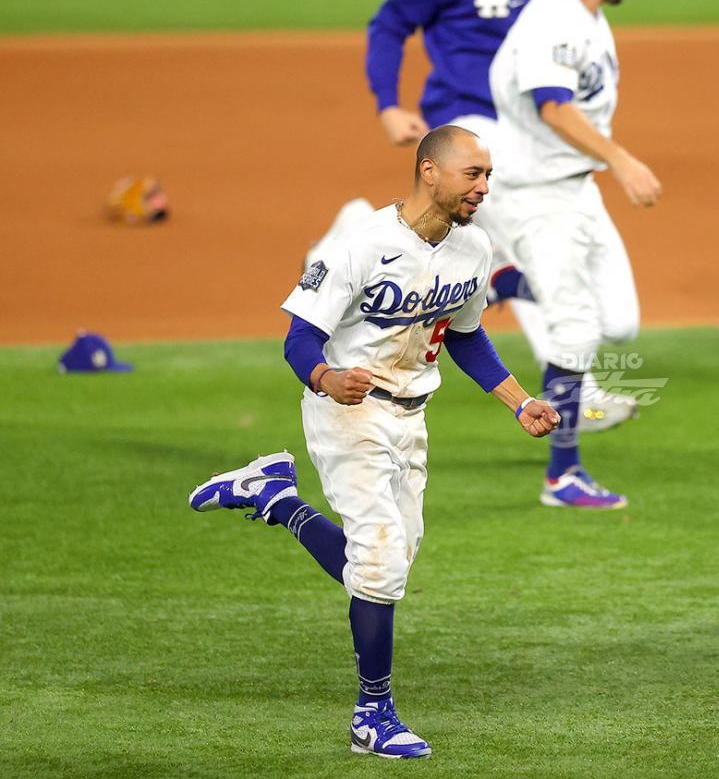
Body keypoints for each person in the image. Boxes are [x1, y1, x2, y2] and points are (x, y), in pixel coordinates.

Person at [187, 126, 560, 758]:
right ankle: (372, 715)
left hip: (412, 419)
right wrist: (328, 377)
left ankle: (274, 499)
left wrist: (519, 400)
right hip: (347, 415)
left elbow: (464, 335)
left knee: (387, 564)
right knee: (381, 566)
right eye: (473, 174)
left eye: (488, 175)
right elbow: (299, 338)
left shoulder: (473, 248)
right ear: (429, 172)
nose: (484, 187)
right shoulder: (360, 248)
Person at [363, 0, 640, 432]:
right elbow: (390, 23)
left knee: (545, 258)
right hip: (469, 118)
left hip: (524, 122)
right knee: (535, 243)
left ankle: (504, 288)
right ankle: (571, 394)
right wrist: (388, 104)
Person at [486, 0, 660, 509]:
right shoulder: (553, 18)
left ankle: (504, 282)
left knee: (620, 322)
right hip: (536, 195)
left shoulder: (589, 16)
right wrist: (623, 160)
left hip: (577, 187)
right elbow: (554, 107)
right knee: (576, 326)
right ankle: (563, 476)